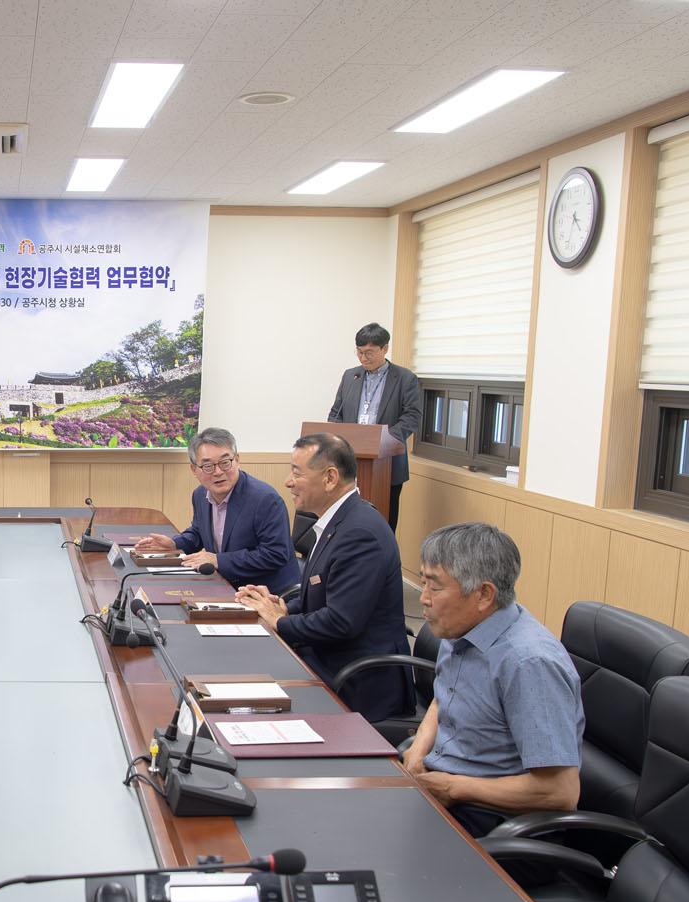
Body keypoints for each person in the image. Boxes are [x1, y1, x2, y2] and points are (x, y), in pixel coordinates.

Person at [400, 522, 585, 837]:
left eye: (435, 587)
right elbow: (444, 698)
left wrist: (454, 787)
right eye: (423, 583)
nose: (424, 599)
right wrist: (417, 753)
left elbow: (560, 792)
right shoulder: (461, 626)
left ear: (484, 595)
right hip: (444, 785)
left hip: (495, 821)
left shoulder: (529, 663)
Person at [235, 433, 413, 724]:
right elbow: (322, 597)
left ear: (330, 478)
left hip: (357, 680)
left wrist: (279, 621)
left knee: (250, 693)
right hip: (328, 657)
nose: (288, 482)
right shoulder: (339, 521)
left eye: (297, 473)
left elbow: (341, 621)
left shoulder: (360, 533)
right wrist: (280, 606)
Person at [133, 427, 297, 592]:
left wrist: (218, 560)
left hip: (265, 593)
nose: (218, 472)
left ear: (237, 460)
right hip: (223, 584)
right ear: (194, 470)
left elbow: (275, 554)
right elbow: (199, 533)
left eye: (225, 463)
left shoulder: (265, 499)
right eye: (208, 466)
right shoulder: (200, 494)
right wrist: (174, 544)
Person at [326, 322, 422, 530]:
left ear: (385, 348)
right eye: (359, 352)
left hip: (387, 464)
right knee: (345, 523)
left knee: (384, 523)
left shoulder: (405, 378)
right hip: (349, 462)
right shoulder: (350, 376)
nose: (363, 358)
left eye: (369, 353)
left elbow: (412, 417)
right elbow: (335, 414)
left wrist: (384, 441)